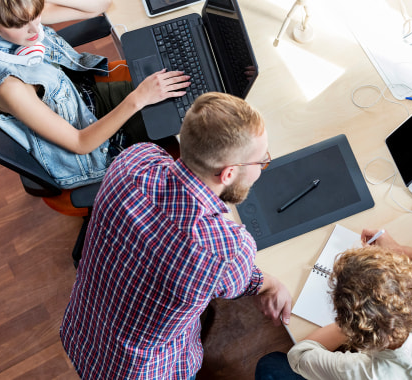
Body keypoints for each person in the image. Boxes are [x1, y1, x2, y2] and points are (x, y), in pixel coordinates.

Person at [60, 92, 293, 378]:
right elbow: (242, 281)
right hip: (141, 371)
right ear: (228, 174)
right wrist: (272, 284)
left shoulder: (133, 160)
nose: (261, 168)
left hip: (82, 331)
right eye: (260, 162)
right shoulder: (225, 248)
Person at [0, 0, 190, 189]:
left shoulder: (21, 15)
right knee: (194, 123)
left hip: (87, 101)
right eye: (20, 24)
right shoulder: (10, 87)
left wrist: (34, 4)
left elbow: (98, 5)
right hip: (99, 149)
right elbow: (80, 143)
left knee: (188, 85)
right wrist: (139, 98)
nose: (34, 29)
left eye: (35, 15)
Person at [256, 234, 412, 380]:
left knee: (271, 365)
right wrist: (402, 251)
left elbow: (300, 355)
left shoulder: (361, 372)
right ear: (410, 287)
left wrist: (355, 320)